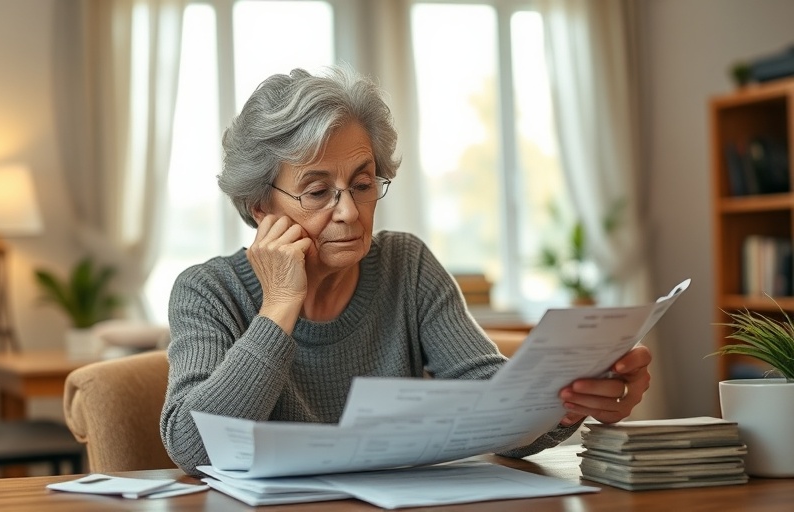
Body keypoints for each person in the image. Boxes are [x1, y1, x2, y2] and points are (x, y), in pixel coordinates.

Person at [160, 66, 652, 475]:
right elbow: (191, 447)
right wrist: (278, 309)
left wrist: (571, 398)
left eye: (363, 183)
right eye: (316, 191)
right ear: (259, 205)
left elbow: (491, 400)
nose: (350, 212)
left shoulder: (406, 266)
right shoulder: (207, 292)